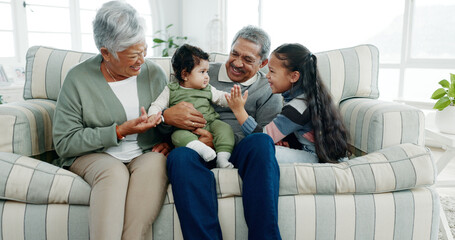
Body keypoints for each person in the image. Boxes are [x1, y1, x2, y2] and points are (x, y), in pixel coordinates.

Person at [52, 1, 171, 239]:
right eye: (133, 55)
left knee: (157, 163)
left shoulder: (153, 73)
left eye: (144, 50)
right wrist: (118, 131)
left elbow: (166, 120)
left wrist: (170, 141)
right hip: (95, 156)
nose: (142, 60)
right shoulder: (78, 79)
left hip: (143, 153)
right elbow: (65, 142)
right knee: (114, 172)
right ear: (106, 53)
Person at [163, 25, 283, 239]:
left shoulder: (268, 90)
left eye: (247, 59)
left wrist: (219, 140)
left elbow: (267, 134)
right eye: (234, 54)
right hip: (196, 144)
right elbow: (173, 102)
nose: (237, 63)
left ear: (262, 63)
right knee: (179, 157)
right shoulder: (201, 70)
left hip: (238, 148)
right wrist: (167, 129)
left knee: (262, 143)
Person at [227, 43, 350, 163]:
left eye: (272, 71)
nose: (267, 76)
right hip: (310, 152)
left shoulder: (297, 107)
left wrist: (239, 110)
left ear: (294, 76)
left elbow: (262, 138)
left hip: (314, 157)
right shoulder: (303, 98)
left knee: (258, 149)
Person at [148, 44, 235, 168]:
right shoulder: (171, 89)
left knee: (224, 128)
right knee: (177, 136)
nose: (207, 76)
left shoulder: (208, 89)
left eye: (207, 72)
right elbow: (157, 105)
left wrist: (234, 100)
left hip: (210, 123)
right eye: (202, 72)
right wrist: (152, 116)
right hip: (184, 129)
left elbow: (221, 98)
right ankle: (201, 149)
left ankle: (222, 158)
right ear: (184, 74)